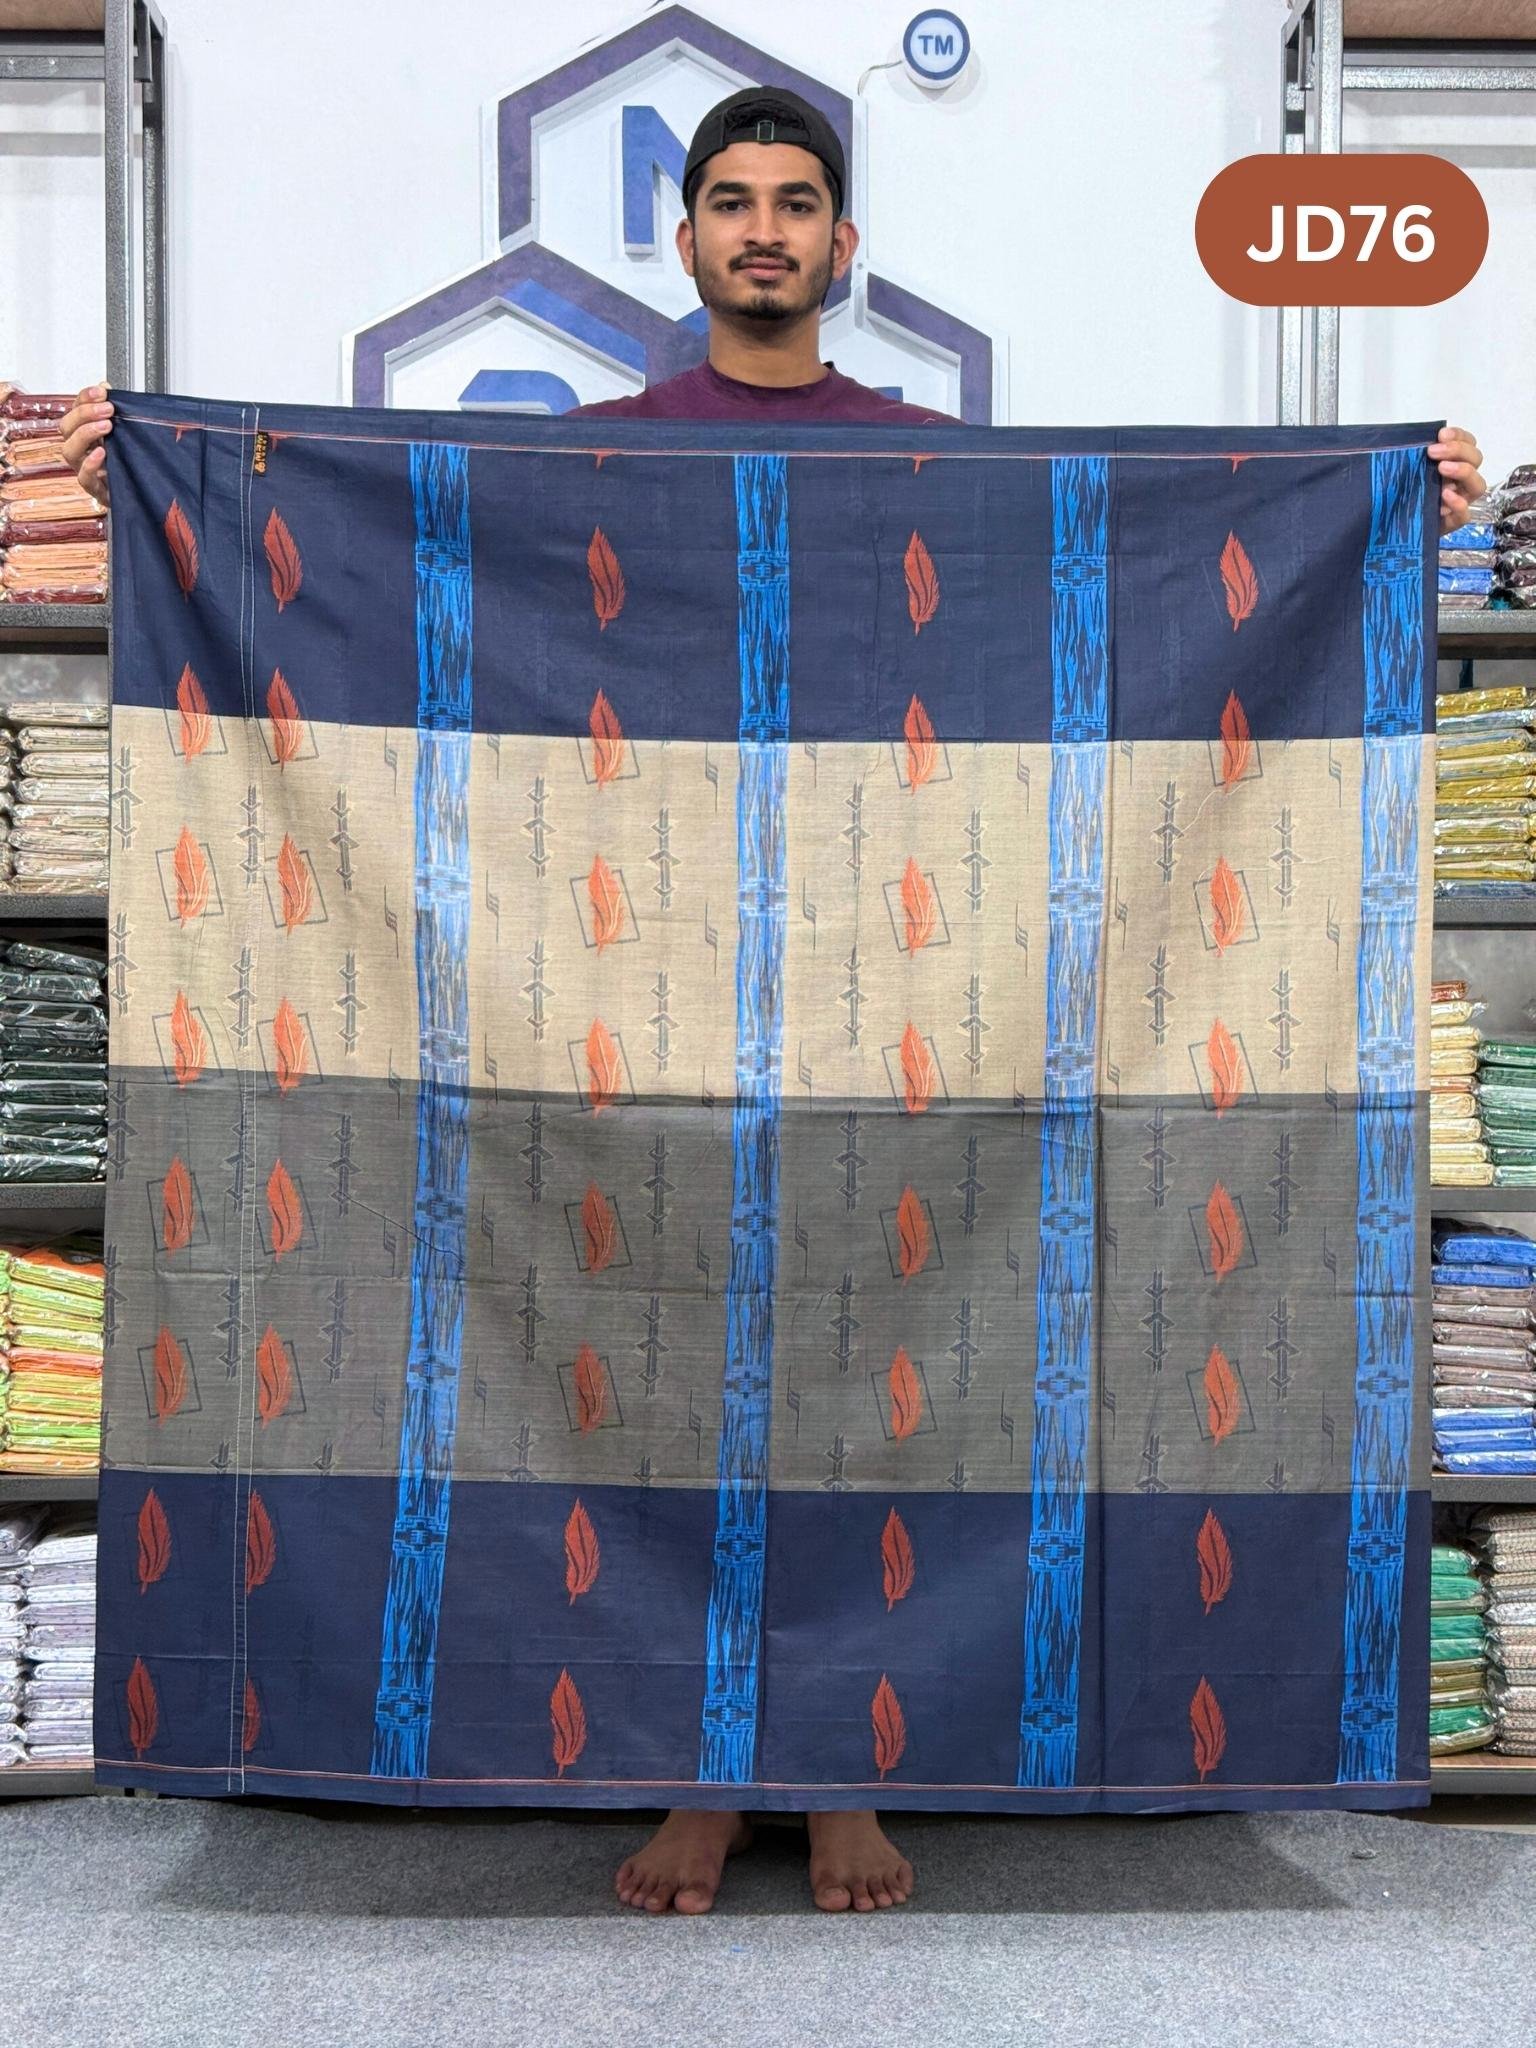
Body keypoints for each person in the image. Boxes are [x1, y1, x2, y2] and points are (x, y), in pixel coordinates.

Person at [56, 87, 1490, 1921]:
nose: (762, 231)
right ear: (686, 241)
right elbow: (382, 574)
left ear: (842, 244)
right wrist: (161, 484)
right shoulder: (588, 469)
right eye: (730, 202)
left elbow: (1114, 599)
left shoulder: (931, 467)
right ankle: (705, 1775)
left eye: (795, 204)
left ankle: (838, 1776)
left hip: (904, 1003)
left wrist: (1390, 504)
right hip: (633, 1004)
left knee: (871, 1371)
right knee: (656, 1371)